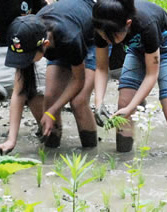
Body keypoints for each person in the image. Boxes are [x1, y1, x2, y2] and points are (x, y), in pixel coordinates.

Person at [92, 0, 167, 153]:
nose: (107, 40)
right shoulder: (103, 27)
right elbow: (102, 68)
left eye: (112, 36)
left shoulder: (146, 24)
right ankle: (122, 160)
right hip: (136, 49)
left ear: (128, 23)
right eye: (103, 36)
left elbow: (151, 74)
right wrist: (98, 103)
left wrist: (132, 108)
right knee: (124, 102)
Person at [4, 0, 99, 149]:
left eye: (27, 56)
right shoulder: (28, 35)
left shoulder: (70, 38)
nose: (24, 61)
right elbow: (18, 93)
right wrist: (11, 140)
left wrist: (53, 111)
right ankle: (51, 151)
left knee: (78, 102)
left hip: (92, 39)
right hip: (61, 38)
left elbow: (78, 80)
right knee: (50, 98)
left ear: (45, 45)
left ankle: (90, 152)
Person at [0, 0, 48, 155]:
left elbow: (44, 14)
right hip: (6, 49)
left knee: (36, 92)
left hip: (29, 44)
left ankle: (47, 133)